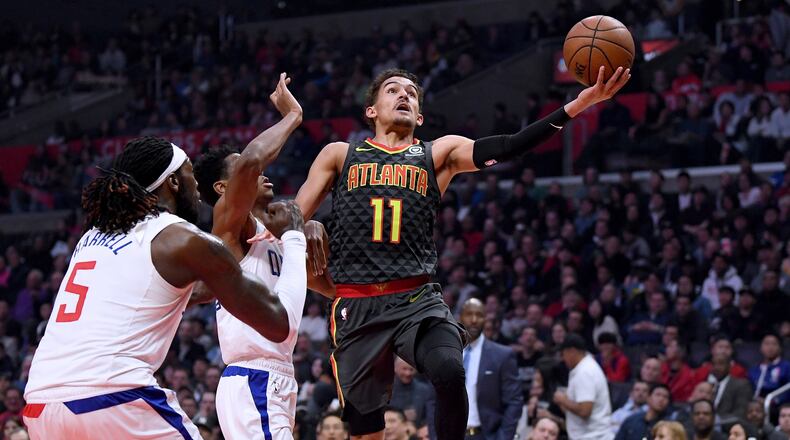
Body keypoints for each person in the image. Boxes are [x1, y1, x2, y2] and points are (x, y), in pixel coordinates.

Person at [288, 64, 630, 439]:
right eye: (392, 90)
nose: (403, 94)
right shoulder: (340, 154)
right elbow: (290, 219)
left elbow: (510, 145)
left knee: (450, 369)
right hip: (357, 305)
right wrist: (307, 224)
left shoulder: (438, 154)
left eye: (411, 93)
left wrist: (579, 104)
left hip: (416, 299)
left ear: (419, 116)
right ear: (371, 110)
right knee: (367, 432)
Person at [22, 136, 295, 438]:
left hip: (40, 405)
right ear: (174, 182)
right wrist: (293, 239)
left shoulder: (92, 236)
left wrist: (224, 280)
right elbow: (279, 324)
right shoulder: (182, 237)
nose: (198, 192)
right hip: (113, 398)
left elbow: (180, 292)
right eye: (190, 174)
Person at [192, 73, 333, 439]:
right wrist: (292, 117)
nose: (263, 173)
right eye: (244, 173)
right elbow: (252, 161)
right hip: (253, 377)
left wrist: (313, 232)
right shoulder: (228, 230)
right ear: (224, 188)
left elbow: (332, 288)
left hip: (275, 376)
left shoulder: (280, 239)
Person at [452, 298, 522, 439]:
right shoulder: (447, 353)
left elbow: (514, 402)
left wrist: (503, 437)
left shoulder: (503, 355)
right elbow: (433, 399)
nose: (474, 320)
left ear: (486, 319)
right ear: (460, 317)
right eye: (469, 314)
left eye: (479, 315)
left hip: (485, 435)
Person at [554, 333, 614, 440]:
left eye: (564, 354)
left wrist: (562, 400)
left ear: (572, 351)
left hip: (592, 436)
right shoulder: (586, 367)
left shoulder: (585, 372)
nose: (563, 359)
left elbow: (585, 411)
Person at [749, 334, 790, 406]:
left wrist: (773, 401)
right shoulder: (753, 369)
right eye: (767, 344)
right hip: (755, 405)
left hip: (778, 406)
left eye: (774, 344)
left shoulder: (787, 367)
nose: (770, 347)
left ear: (780, 348)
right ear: (761, 347)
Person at [708, 356, 752, 422]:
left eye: (721, 364)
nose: (716, 367)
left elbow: (740, 413)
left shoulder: (741, 385)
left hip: (728, 426)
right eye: (714, 364)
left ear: (729, 366)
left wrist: (717, 422)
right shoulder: (707, 385)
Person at [390, 356, 431, 425]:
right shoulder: (386, 390)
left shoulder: (425, 390)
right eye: (404, 369)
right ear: (395, 368)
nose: (408, 373)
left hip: (418, 432)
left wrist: (425, 427)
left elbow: (431, 414)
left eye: (411, 369)